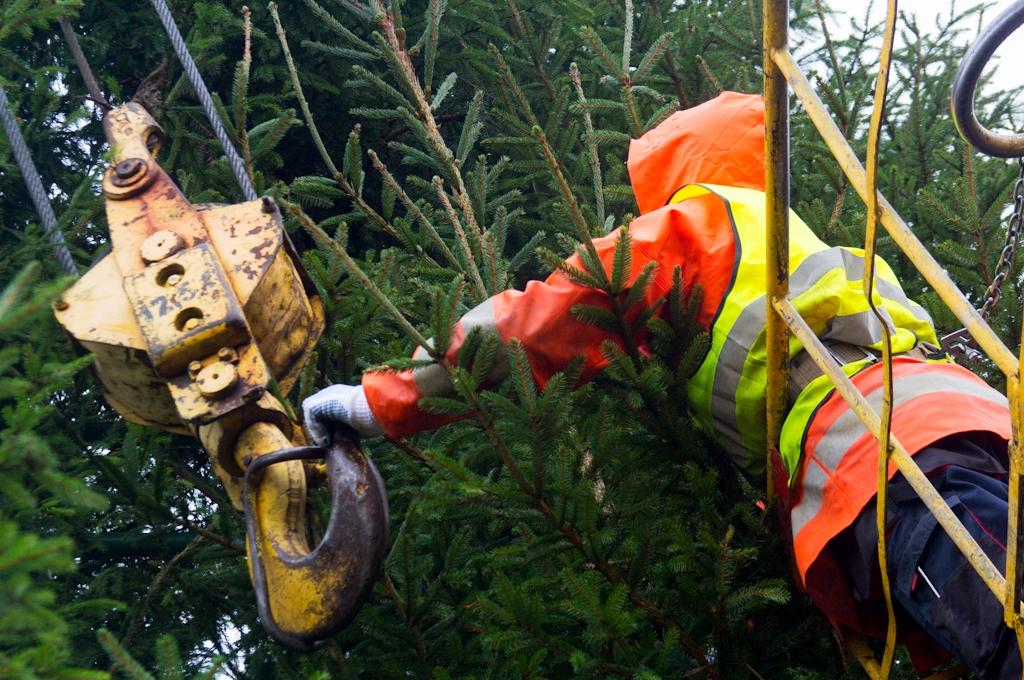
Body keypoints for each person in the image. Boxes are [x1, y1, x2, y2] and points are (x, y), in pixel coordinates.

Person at [302, 92, 1019, 678]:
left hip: (881, 456)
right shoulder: (792, 236)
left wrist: (380, 399)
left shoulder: (705, 224)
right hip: (960, 426)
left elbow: (543, 318)